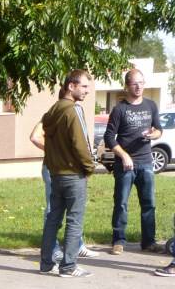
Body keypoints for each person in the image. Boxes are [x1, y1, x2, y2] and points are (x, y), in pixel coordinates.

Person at [39, 70, 95, 277]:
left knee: (53, 218)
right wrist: (89, 167)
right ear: (71, 86)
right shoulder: (73, 110)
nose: (87, 91)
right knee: (74, 220)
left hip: (55, 174)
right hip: (73, 174)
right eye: (84, 87)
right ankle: (68, 266)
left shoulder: (53, 110)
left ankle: (46, 264)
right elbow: (80, 144)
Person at [103, 69, 163, 255]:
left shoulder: (151, 105)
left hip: (146, 162)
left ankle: (148, 242)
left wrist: (154, 134)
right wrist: (124, 155)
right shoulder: (120, 109)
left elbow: (159, 129)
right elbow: (109, 137)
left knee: (149, 204)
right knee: (121, 203)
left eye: (142, 83)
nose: (139, 87)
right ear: (127, 86)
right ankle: (119, 241)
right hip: (125, 165)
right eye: (135, 83)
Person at [29, 115, 97, 265]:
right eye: (83, 88)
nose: (85, 91)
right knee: (53, 209)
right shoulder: (54, 116)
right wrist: (57, 152)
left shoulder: (72, 115)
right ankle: (53, 250)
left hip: (71, 169)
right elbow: (35, 137)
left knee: (73, 209)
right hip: (55, 167)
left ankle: (77, 246)